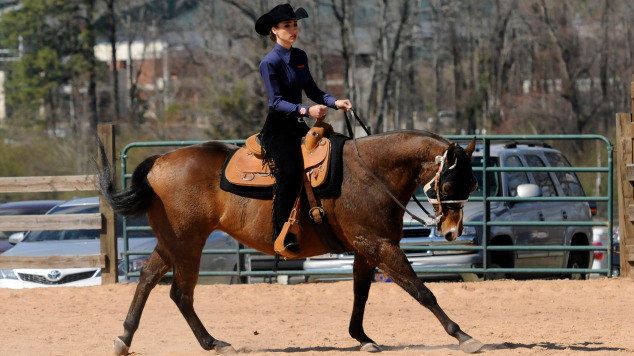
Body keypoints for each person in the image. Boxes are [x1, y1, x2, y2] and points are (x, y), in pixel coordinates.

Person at [255, 3, 352, 252]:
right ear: (275, 31)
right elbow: (275, 102)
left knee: (337, 152)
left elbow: (313, 90)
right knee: (289, 173)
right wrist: (305, 110)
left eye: (295, 24)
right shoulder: (269, 62)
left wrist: (334, 102)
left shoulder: (300, 57)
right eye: (287, 26)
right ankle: (282, 234)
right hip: (278, 129)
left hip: (298, 124)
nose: (293, 29)